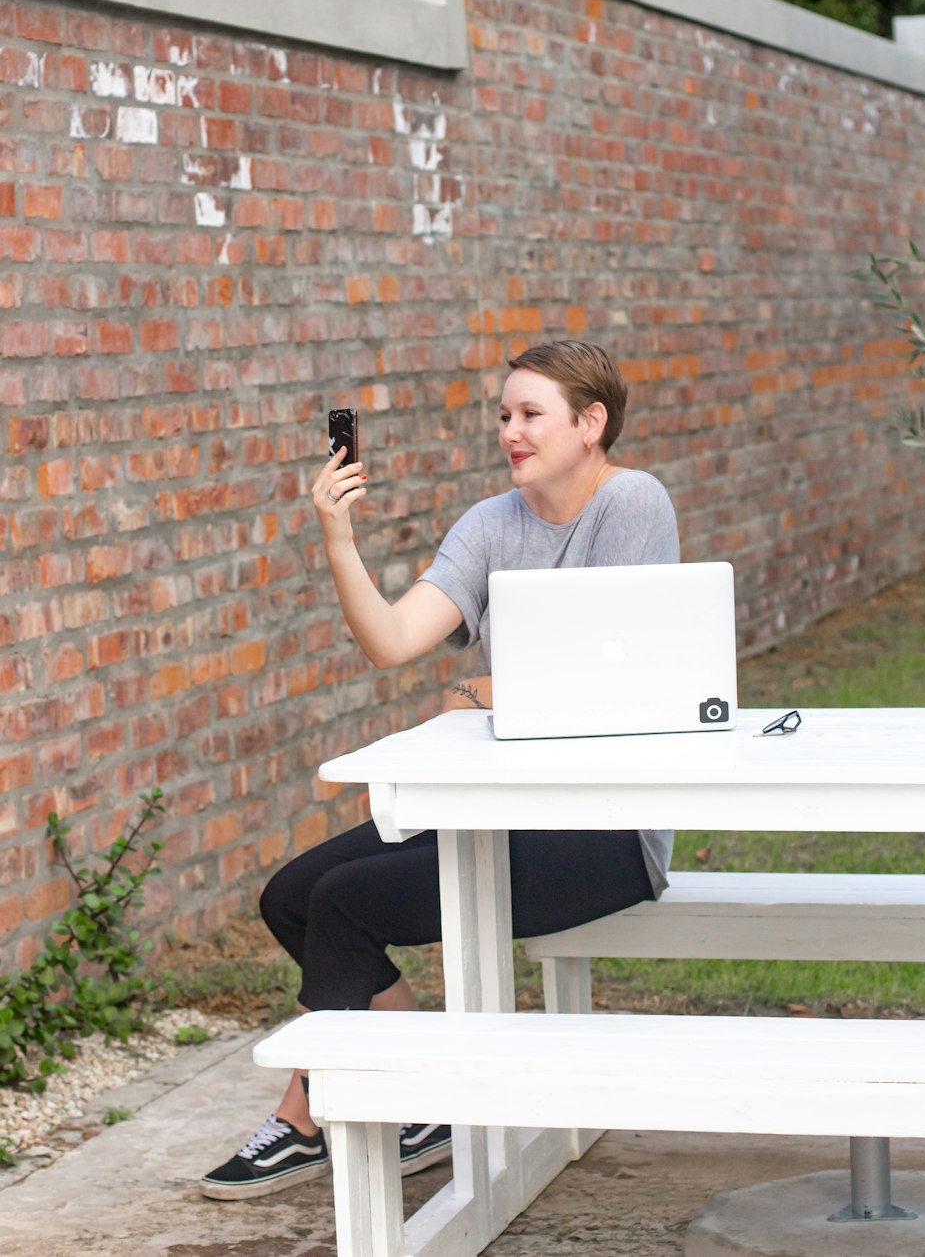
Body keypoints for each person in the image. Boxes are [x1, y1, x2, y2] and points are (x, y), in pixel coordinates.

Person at [200, 339, 679, 1200]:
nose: (512, 431)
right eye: (504, 415)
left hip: (606, 831)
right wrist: (337, 537)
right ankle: (433, 1093)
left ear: (591, 422)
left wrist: (477, 689)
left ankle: (305, 1116)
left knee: (344, 903)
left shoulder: (631, 503)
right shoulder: (492, 524)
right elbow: (390, 643)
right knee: (291, 897)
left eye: (531, 413)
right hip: (502, 810)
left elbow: (615, 680)